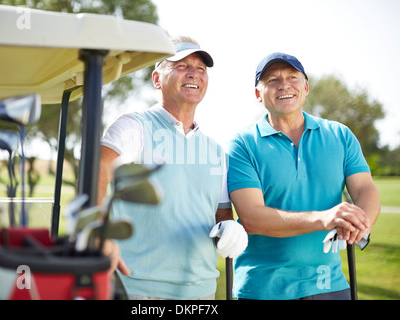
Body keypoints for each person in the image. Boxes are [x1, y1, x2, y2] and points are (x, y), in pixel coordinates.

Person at [97, 36, 248, 300]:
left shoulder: (215, 150)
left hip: (202, 293)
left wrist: (230, 229)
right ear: (157, 78)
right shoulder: (134, 126)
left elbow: (220, 215)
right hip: (138, 292)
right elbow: (95, 173)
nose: (194, 73)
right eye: (181, 65)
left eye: (201, 68)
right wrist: (99, 235)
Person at [227, 52, 380, 300]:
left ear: (305, 87)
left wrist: (359, 223)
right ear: (258, 94)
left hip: (330, 285)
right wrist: (323, 219)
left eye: (292, 77)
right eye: (272, 80)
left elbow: (365, 189)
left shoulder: (340, 135)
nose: (284, 84)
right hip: (263, 288)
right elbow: (251, 217)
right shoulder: (242, 144)